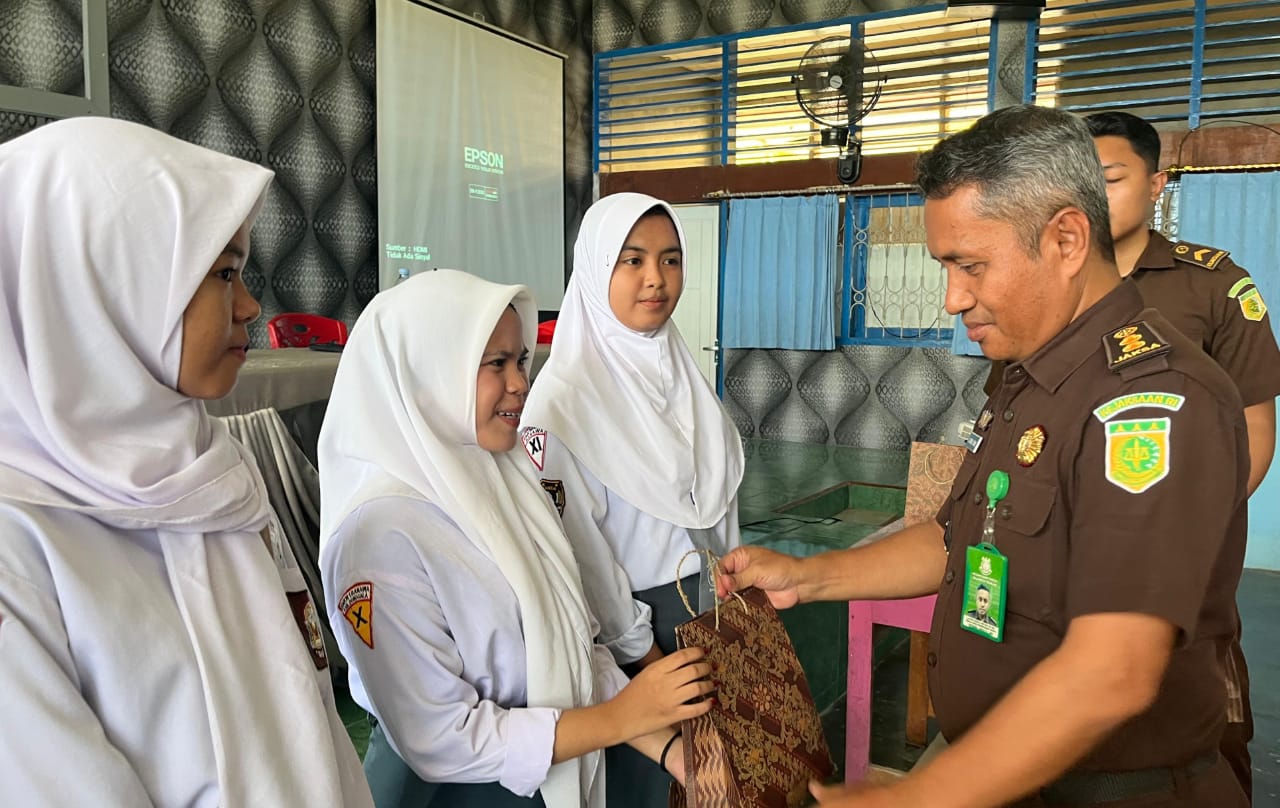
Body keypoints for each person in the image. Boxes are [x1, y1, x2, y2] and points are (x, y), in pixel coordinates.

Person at [719, 105, 1249, 807]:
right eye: (946, 267)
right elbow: (957, 540)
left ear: (1065, 240)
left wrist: (917, 798)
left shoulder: (1152, 402)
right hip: (995, 770)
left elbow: (1115, 669)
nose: (952, 298)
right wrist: (808, 578)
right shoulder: (1028, 374)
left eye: (971, 266)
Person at [0, 117, 373, 805]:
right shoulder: (20, 547)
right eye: (224, 273)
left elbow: (306, 705)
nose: (250, 306)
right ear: (101, 285)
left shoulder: (212, 470)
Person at [317, 269, 713, 808]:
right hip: (453, 794)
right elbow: (441, 738)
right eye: (496, 364)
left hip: (548, 773)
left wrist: (675, 754)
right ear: (432, 371)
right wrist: (623, 716)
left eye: (521, 361)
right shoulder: (380, 534)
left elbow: (575, 648)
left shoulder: (508, 480)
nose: (521, 383)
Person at [982, 110, 1280, 798]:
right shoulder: (1038, 286)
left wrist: (1168, 530)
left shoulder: (1209, 284)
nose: (1092, 193)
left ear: (1156, 183)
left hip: (1171, 549)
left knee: (1191, 720)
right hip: (1048, 551)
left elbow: (1253, 432)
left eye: (1110, 178)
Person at [521, 192, 745, 665]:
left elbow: (718, 509)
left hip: (717, 607)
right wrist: (644, 656)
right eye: (633, 260)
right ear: (597, 268)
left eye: (671, 260)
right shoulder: (563, 402)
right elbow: (583, 557)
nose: (656, 278)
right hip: (638, 635)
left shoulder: (687, 384)